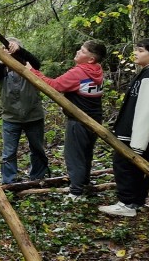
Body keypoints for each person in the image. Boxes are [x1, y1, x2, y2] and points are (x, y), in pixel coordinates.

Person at [99, 38, 149, 217]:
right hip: (134, 133)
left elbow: (147, 110)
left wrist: (138, 143)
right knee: (138, 168)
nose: (136, 53)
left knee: (123, 164)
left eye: (140, 50)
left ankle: (126, 203)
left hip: (136, 135)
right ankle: (137, 201)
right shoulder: (147, 73)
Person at [27, 40, 106, 201]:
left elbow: (54, 85)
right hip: (95, 119)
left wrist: (32, 71)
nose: (78, 51)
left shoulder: (79, 73)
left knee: (74, 155)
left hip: (79, 120)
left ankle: (76, 192)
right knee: (86, 154)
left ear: (91, 59)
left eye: (82, 51)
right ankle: (84, 185)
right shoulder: (97, 70)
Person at [0, 37, 49, 184]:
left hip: (34, 116)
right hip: (11, 118)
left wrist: (20, 51)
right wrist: (2, 59)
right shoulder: (1, 68)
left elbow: (37, 63)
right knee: (9, 153)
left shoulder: (29, 66)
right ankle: (9, 182)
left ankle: (38, 178)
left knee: (37, 149)